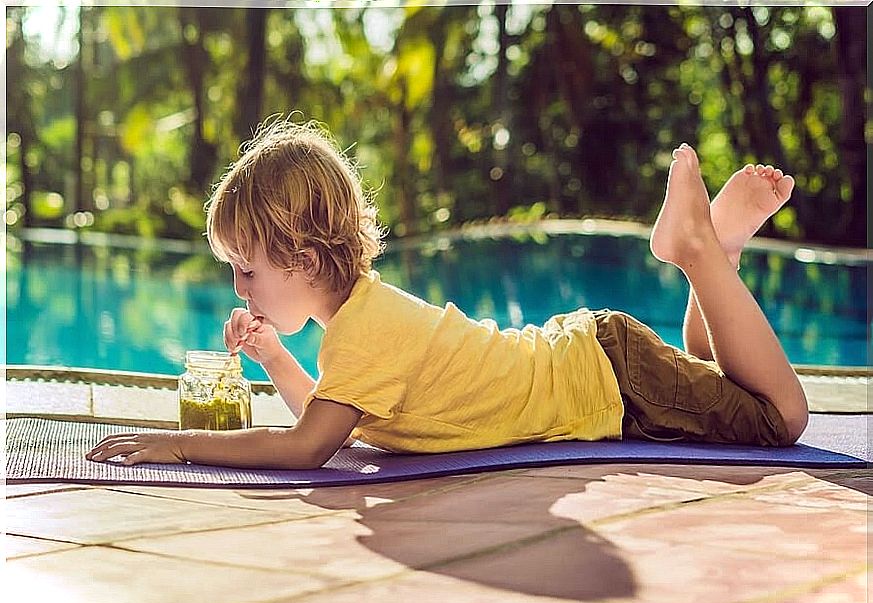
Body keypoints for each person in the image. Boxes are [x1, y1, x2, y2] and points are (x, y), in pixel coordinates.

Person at [86, 118, 809, 469]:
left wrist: (177, 443)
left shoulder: (365, 330)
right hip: (601, 360)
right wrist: (276, 356)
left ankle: (696, 252)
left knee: (779, 417)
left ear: (303, 259)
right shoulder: (360, 323)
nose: (238, 288)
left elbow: (310, 447)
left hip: (610, 381)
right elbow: (338, 420)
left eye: (246, 268)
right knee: (711, 369)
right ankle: (718, 251)